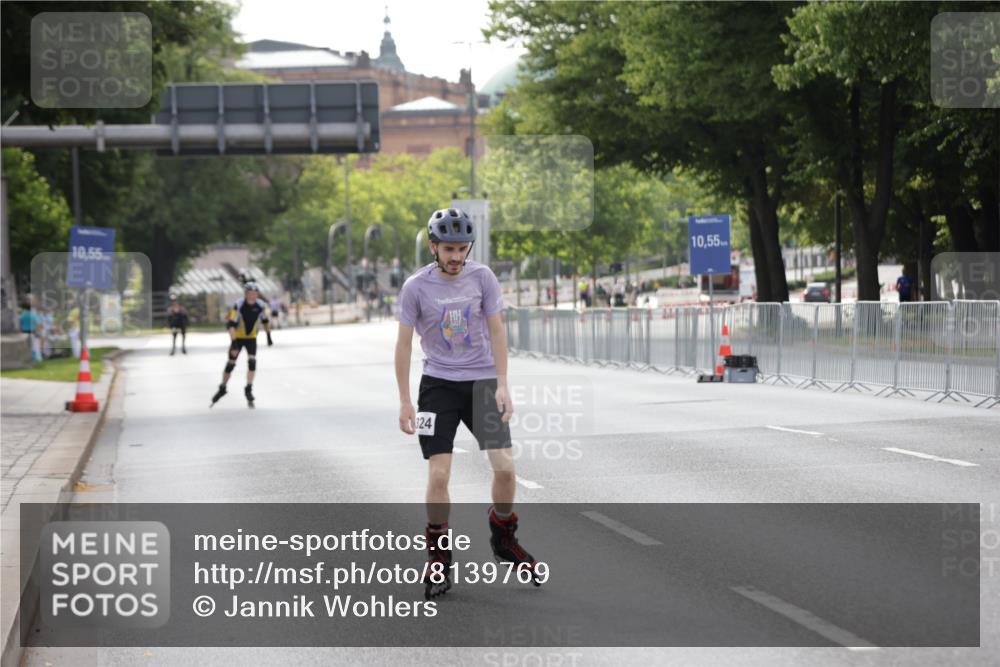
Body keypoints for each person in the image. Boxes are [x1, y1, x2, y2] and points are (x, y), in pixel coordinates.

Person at [395, 208, 541, 601]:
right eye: (449, 249)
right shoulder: (415, 287)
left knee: (506, 468)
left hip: (481, 384)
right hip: (437, 388)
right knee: (439, 475)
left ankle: (503, 535)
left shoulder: (483, 278)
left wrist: (503, 384)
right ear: (433, 247)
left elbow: (496, 330)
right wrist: (406, 401)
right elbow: (404, 344)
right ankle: (439, 555)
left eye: (462, 249)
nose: (456, 256)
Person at [210, 282, 272, 408]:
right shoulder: (238, 305)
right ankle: (223, 387)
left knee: (252, 362)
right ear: (245, 294)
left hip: (251, 338)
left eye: (255, 294)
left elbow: (265, 321)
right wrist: (233, 343)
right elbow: (231, 325)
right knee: (231, 364)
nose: (253, 296)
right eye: (250, 294)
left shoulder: (261, 305)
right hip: (237, 338)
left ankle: (248, 388)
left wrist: (269, 336)